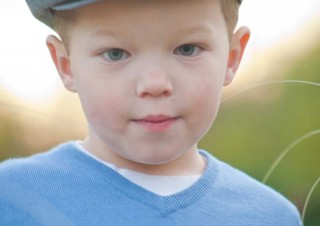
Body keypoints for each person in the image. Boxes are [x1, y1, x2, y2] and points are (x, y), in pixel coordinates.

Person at [0, 0, 302, 225]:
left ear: (232, 56)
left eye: (187, 49)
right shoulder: (13, 198)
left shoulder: (271, 216)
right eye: (115, 53)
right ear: (66, 65)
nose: (155, 84)